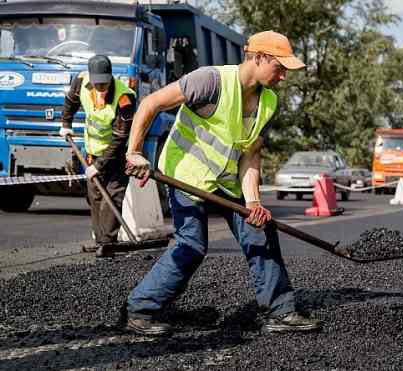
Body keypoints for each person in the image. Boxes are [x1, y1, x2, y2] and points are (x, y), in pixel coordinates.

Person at [123, 30, 322, 336]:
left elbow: (250, 155)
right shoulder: (210, 81)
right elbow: (151, 103)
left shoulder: (267, 101)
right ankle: (141, 309)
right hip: (185, 173)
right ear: (259, 58)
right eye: (279, 67)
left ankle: (280, 312)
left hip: (227, 179)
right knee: (192, 245)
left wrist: (254, 201)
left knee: (260, 230)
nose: (283, 76)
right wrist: (134, 153)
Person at [59, 55, 136, 257]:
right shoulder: (81, 81)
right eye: (97, 84)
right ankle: (100, 240)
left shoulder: (124, 98)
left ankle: (106, 243)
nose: (101, 88)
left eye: (104, 83)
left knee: (113, 195)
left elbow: (120, 137)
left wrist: (99, 165)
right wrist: (66, 124)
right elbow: (70, 101)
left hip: (117, 155)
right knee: (95, 197)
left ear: (111, 78)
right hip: (92, 152)